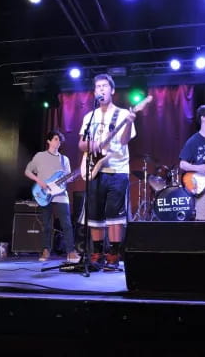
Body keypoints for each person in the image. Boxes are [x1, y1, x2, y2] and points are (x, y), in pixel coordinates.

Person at [78, 73, 136, 271]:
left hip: (117, 170)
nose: (101, 89)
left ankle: (113, 254)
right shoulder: (89, 116)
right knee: (94, 215)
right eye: (98, 87)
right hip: (94, 170)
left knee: (114, 215)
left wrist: (128, 122)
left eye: (105, 86)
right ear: (95, 92)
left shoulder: (121, 114)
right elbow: (81, 144)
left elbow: (125, 140)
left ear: (112, 90)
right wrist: (92, 143)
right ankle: (96, 253)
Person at [25, 130, 80, 263]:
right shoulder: (40, 156)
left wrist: (72, 177)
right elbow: (27, 171)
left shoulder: (64, 159)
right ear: (49, 141)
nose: (58, 142)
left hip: (61, 194)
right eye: (56, 139)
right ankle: (46, 250)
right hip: (43, 194)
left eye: (59, 140)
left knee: (66, 224)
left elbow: (67, 177)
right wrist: (40, 182)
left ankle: (71, 252)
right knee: (47, 225)